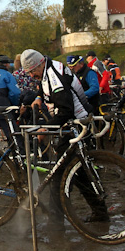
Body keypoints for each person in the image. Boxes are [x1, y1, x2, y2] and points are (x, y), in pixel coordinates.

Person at [20, 49, 104, 229]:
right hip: (73, 122)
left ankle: (55, 225)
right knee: (78, 172)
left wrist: (46, 128)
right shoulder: (48, 69)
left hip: (75, 123)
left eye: (32, 72)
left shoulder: (54, 75)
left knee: (57, 177)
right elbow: (46, 90)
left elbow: (65, 110)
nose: (32, 76)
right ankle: (100, 212)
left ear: (39, 65)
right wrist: (38, 98)